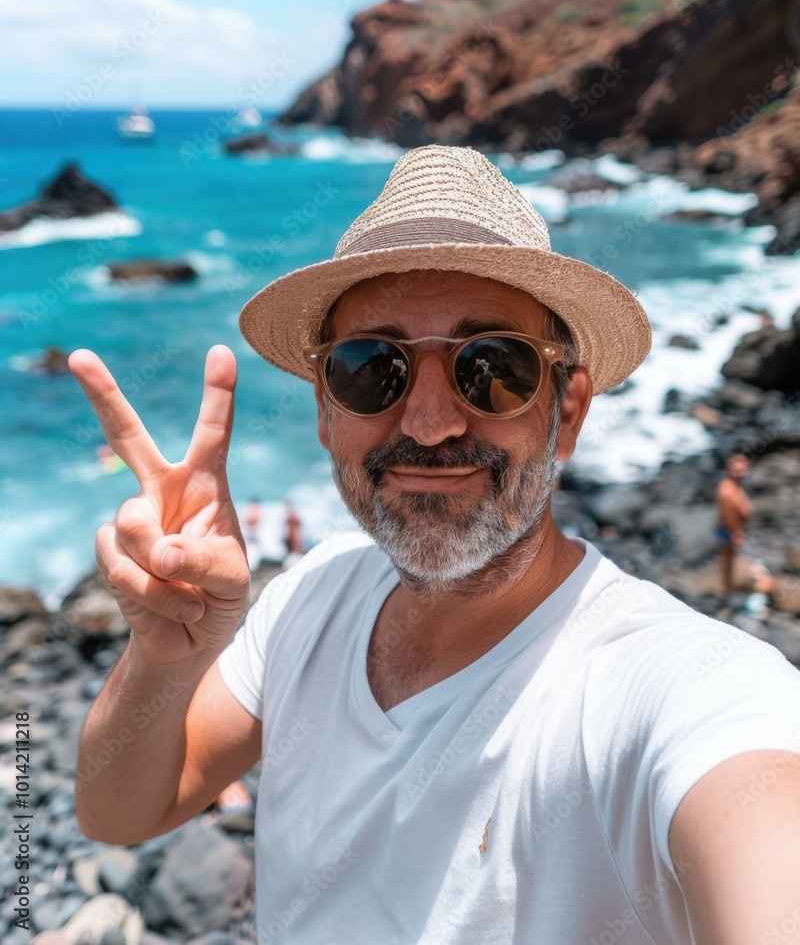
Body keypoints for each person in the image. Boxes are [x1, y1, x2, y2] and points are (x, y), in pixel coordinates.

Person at [69, 146, 800, 945]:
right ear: (324, 412)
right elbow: (120, 811)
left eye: (492, 366)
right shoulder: (308, 600)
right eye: (369, 368)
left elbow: (759, 819)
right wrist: (165, 658)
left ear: (570, 411)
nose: (428, 423)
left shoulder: (670, 684)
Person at [715, 452, 753, 595]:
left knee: (729, 558)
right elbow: (729, 514)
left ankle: (728, 586)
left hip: (729, 529)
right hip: (729, 529)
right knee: (728, 558)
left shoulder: (734, 485)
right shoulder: (727, 489)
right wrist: (737, 533)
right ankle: (727, 588)